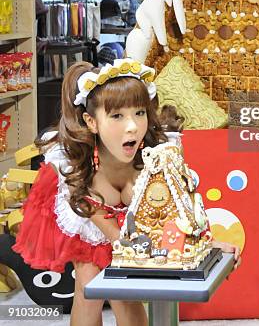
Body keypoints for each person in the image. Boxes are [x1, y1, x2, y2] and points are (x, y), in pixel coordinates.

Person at [13, 59, 240, 326]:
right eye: (117, 116)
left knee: (125, 295)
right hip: (97, 225)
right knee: (89, 283)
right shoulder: (78, 166)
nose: (132, 126)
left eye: (140, 113)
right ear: (92, 122)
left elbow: (178, 211)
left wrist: (207, 248)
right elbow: (123, 243)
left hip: (138, 229)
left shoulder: (156, 156)